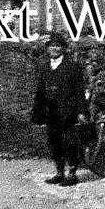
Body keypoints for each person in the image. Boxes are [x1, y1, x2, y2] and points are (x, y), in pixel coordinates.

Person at [31, 33, 87, 186]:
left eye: (57, 46)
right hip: (51, 111)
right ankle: (59, 173)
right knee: (54, 142)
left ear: (63, 48)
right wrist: (38, 112)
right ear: (47, 48)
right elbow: (40, 91)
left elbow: (79, 91)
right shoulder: (44, 67)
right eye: (51, 46)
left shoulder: (72, 66)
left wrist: (81, 111)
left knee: (69, 142)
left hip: (68, 111)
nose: (54, 48)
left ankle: (72, 174)